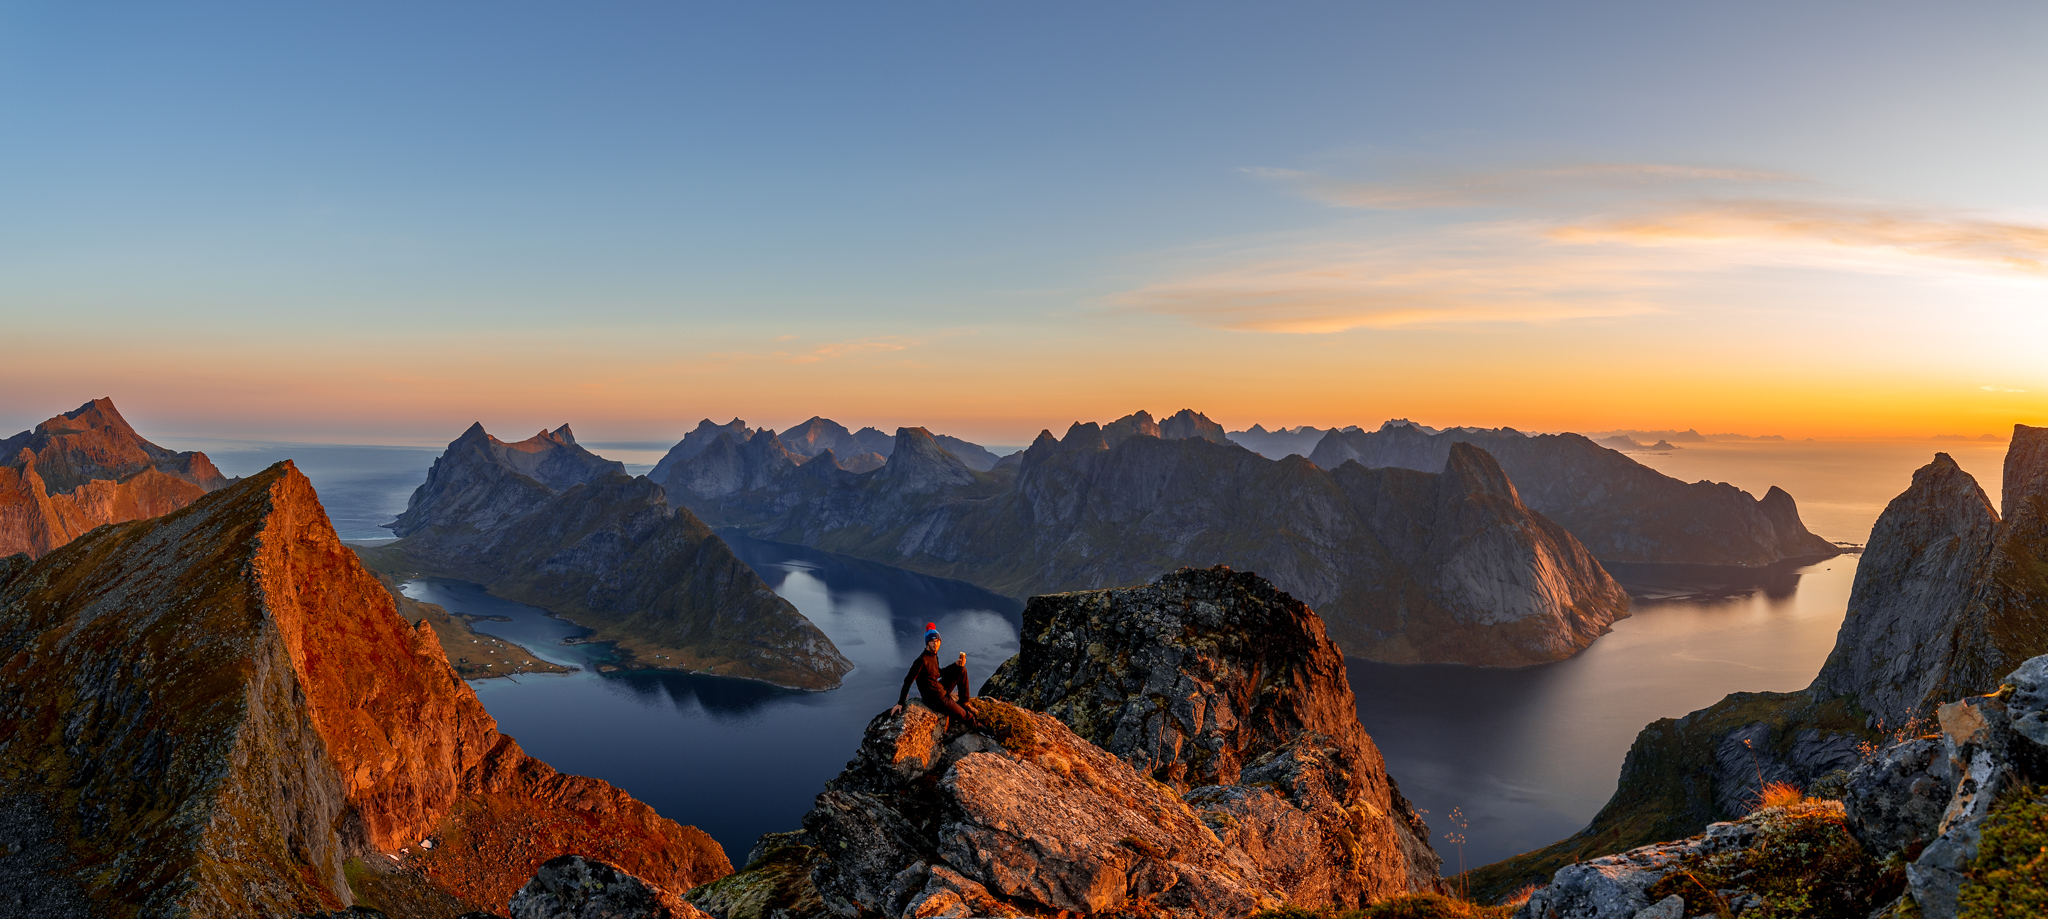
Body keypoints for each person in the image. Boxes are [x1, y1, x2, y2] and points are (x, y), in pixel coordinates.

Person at [889, 622, 982, 732]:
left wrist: (955, 665)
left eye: (937, 641)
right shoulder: (921, 661)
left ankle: (964, 702)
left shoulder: (934, 655)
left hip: (939, 689)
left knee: (961, 670)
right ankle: (990, 733)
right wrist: (900, 702)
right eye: (932, 641)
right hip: (935, 699)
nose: (935, 644)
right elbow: (908, 681)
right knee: (966, 716)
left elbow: (938, 673)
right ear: (927, 643)